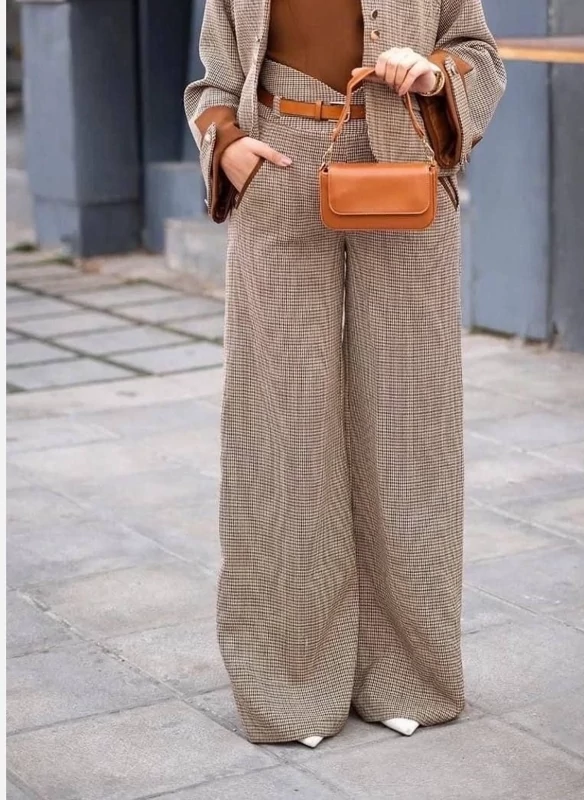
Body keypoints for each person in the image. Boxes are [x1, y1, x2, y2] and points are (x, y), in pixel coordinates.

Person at [184, 0, 506, 748]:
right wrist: (227, 142)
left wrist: (435, 73)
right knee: (284, 428)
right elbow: (216, 79)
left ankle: (410, 674)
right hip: (279, 171)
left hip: (405, 164)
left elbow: (479, 54)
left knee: (409, 422)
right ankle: (290, 680)